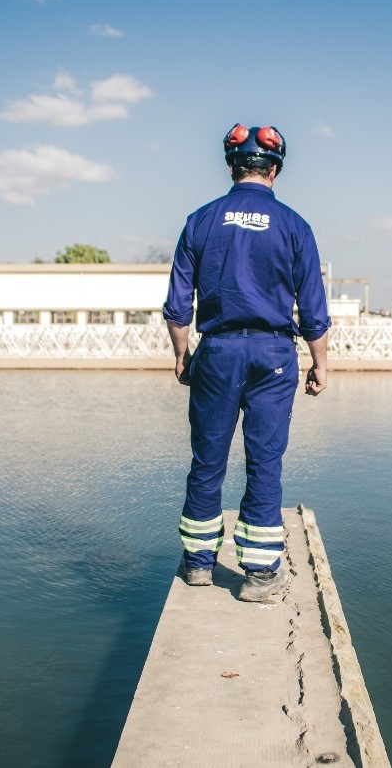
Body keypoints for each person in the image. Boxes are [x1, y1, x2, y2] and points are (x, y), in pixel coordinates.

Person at [162, 123, 331, 603]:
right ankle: (258, 577)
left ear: (232, 167)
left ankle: (198, 565)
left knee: (207, 460)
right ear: (274, 170)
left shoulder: (200, 220)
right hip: (275, 356)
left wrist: (183, 355)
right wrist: (320, 366)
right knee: (264, 462)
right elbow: (314, 311)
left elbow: (178, 305)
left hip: (216, 353)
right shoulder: (295, 226)